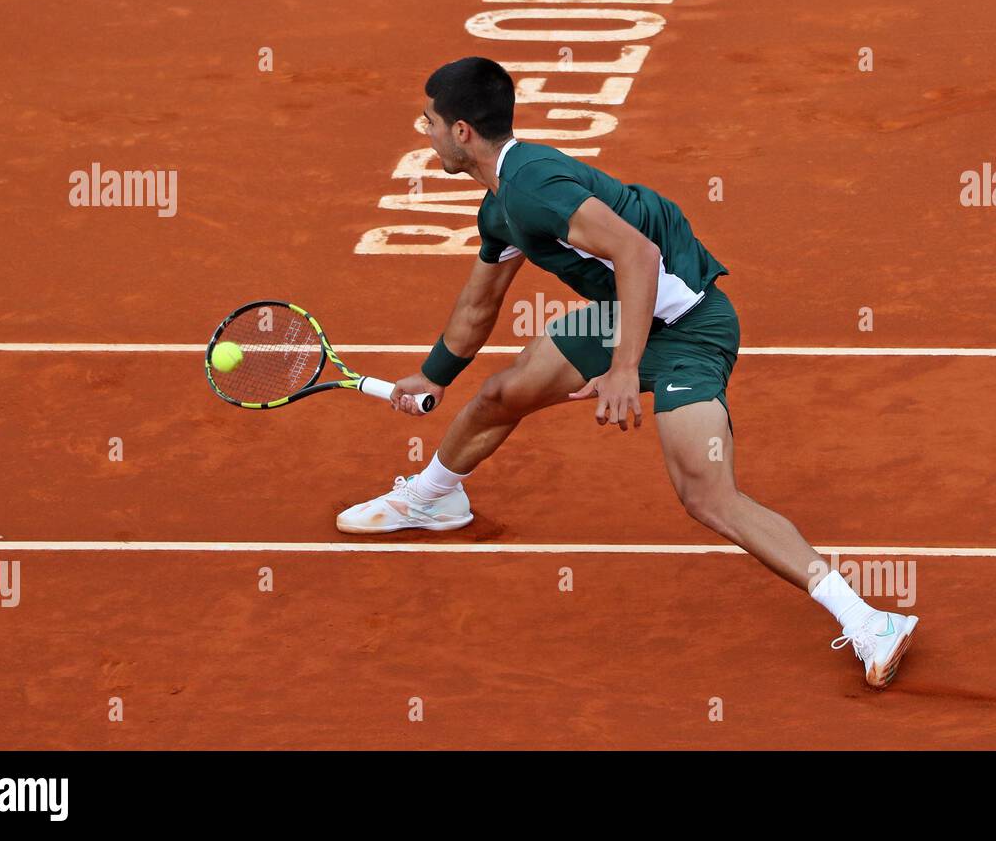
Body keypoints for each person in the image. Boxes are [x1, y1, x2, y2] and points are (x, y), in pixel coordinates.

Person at [338, 57, 918, 688]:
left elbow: (638, 254)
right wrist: (434, 375)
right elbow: (481, 304)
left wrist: (623, 370)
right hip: (621, 315)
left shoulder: (533, 187)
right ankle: (433, 497)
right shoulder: (502, 206)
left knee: (706, 496)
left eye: (427, 120)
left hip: (690, 328)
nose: (420, 130)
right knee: (503, 394)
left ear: (461, 133)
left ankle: (867, 621)